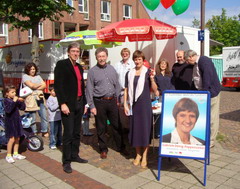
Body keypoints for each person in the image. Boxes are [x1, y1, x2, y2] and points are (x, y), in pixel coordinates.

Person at [86, 47, 126, 159]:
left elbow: (117, 85)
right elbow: (89, 89)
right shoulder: (92, 71)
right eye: (99, 56)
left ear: (106, 57)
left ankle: (121, 147)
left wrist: (118, 99)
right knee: (101, 127)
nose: (101, 58)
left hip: (112, 101)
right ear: (96, 58)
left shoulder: (112, 69)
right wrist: (91, 106)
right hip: (99, 102)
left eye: (103, 56)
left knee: (117, 125)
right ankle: (103, 149)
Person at [54, 42, 88, 174]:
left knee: (76, 132)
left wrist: (84, 103)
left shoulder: (79, 67)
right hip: (68, 104)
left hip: (79, 103)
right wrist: (62, 103)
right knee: (68, 133)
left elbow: (82, 86)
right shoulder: (62, 64)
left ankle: (75, 155)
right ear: (68, 52)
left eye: (77, 51)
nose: (75, 53)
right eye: (73, 51)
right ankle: (66, 161)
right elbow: (58, 85)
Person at [124, 50, 158, 168]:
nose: (137, 61)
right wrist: (125, 104)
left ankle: (145, 156)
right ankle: (137, 154)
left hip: (145, 105)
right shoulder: (129, 73)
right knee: (136, 131)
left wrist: (153, 79)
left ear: (143, 60)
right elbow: (126, 89)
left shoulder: (148, 72)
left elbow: (155, 90)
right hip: (134, 105)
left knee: (145, 130)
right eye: (136, 59)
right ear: (133, 60)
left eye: (139, 59)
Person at [184, 50, 221, 147]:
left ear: (191, 56)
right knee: (204, 118)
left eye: (187, 60)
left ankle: (211, 141)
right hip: (204, 94)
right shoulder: (197, 64)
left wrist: (205, 93)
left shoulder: (204, 60)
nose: (187, 63)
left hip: (211, 93)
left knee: (212, 118)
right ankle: (205, 138)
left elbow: (207, 77)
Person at [22, 63, 48, 137]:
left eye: (34, 69)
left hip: (40, 97)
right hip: (31, 98)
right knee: (32, 116)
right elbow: (31, 85)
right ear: (28, 70)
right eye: (31, 69)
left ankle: (44, 130)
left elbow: (44, 85)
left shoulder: (38, 76)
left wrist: (35, 87)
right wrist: (38, 85)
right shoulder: (25, 77)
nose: (32, 71)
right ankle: (34, 131)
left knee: (44, 115)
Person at [4, 85, 26, 163]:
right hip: (10, 122)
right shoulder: (6, 100)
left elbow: (22, 108)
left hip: (17, 121)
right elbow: (8, 110)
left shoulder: (15, 100)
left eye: (15, 92)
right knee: (12, 139)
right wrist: (14, 101)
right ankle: (8, 155)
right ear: (7, 93)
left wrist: (21, 101)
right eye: (12, 92)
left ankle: (15, 153)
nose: (14, 94)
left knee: (18, 138)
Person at [114, 48, 135, 130]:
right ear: (121, 54)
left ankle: (131, 127)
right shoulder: (117, 65)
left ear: (129, 54)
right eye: (123, 53)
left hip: (130, 91)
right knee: (122, 111)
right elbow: (115, 78)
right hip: (120, 91)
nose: (125, 54)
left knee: (131, 109)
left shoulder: (133, 64)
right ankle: (125, 128)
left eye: (126, 53)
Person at [154, 58, 175, 138]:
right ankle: (158, 132)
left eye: (164, 64)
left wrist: (172, 93)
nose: (163, 65)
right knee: (159, 115)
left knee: (170, 114)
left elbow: (173, 85)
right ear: (159, 65)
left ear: (167, 66)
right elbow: (155, 87)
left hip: (170, 96)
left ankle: (169, 131)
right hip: (161, 97)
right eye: (161, 64)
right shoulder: (156, 75)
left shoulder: (170, 74)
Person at [46, 84, 62, 150]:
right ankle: (52, 143)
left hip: (59, 117)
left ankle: (59, 142)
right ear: (50, 91)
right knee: (53, 132)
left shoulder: (57, 97)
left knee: (59, 131)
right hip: (53, 119)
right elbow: (52, 108)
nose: (55, 92)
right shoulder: (50, 99)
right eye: (53, 91)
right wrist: (58, 103)